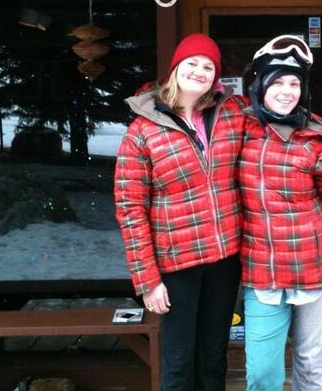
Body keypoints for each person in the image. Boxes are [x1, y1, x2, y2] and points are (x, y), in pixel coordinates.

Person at [114, 33, 245, 391]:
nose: (199, 71)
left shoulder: (231, 114)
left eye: (208, 67)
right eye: (192, 63)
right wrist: (148, 280)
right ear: (175, 69)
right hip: (176, 266)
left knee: (213, 359)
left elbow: (277, 121)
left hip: (224, 260)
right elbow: (130, 208)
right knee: (178, 364)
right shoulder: (143, 129)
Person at [239, 35, 322, 391]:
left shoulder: (319, 135)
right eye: (277, 82)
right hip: (263, 270)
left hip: (318, 267)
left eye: (294, 84)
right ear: (260, 85)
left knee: (310, 367)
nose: (286, 91)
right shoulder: (239, 127)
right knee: (262, 371)